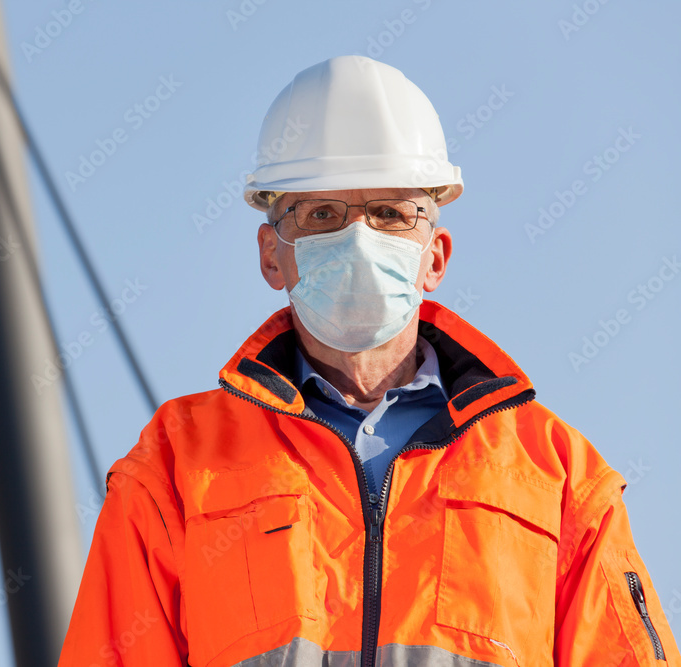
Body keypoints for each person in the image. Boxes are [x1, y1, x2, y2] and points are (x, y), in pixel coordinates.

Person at [57, 56, 680, 667]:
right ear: (271, 254)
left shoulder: (557, 476)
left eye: (389, 214)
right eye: (321, 214)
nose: (358, 238)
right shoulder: (174, 465)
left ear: (435, 256)